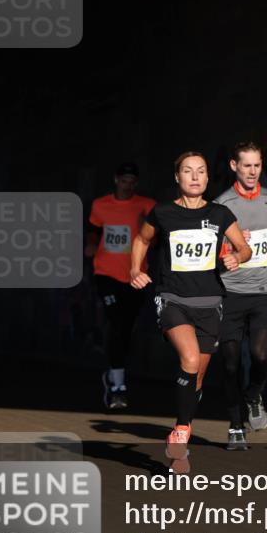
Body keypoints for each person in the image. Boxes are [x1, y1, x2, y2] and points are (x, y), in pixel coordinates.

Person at [130, 152, 250, 473]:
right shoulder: (164, 213)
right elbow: (142, 240)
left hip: (210, 304)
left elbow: (244, 248)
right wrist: (134, 269)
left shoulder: (220, 214)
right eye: (188, 171)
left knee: (195, 380)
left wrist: (237, 256)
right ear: (177, 178)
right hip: (173, 300)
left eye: (201, 172)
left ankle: (180, 437)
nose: (195, 177)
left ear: (208, 178)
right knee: (190, 359)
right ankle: (182, 434)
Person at [214, 142, 267, 450]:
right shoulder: (222, 204)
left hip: (263, 290)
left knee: (261, 354)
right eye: (246, 165)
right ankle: (235, 426)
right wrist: (228, 251)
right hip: (230, 292)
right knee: (231, 363)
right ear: (234, 166)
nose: (252, 171)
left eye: (257, 166)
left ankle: (254, 393)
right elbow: (212, 246)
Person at [85, 162, 156, 409]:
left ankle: (114, 375)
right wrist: (92, 244)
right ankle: (117, 385)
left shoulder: (147, 205)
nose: (128, 185)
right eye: (124, 180)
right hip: (106, 273)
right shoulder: (100, 205)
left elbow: (157, 238)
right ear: (116, 180)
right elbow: (93, 229)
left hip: (135, 276)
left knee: (125, 328)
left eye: (132, 182)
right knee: (116, 323)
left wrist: (146, 223)